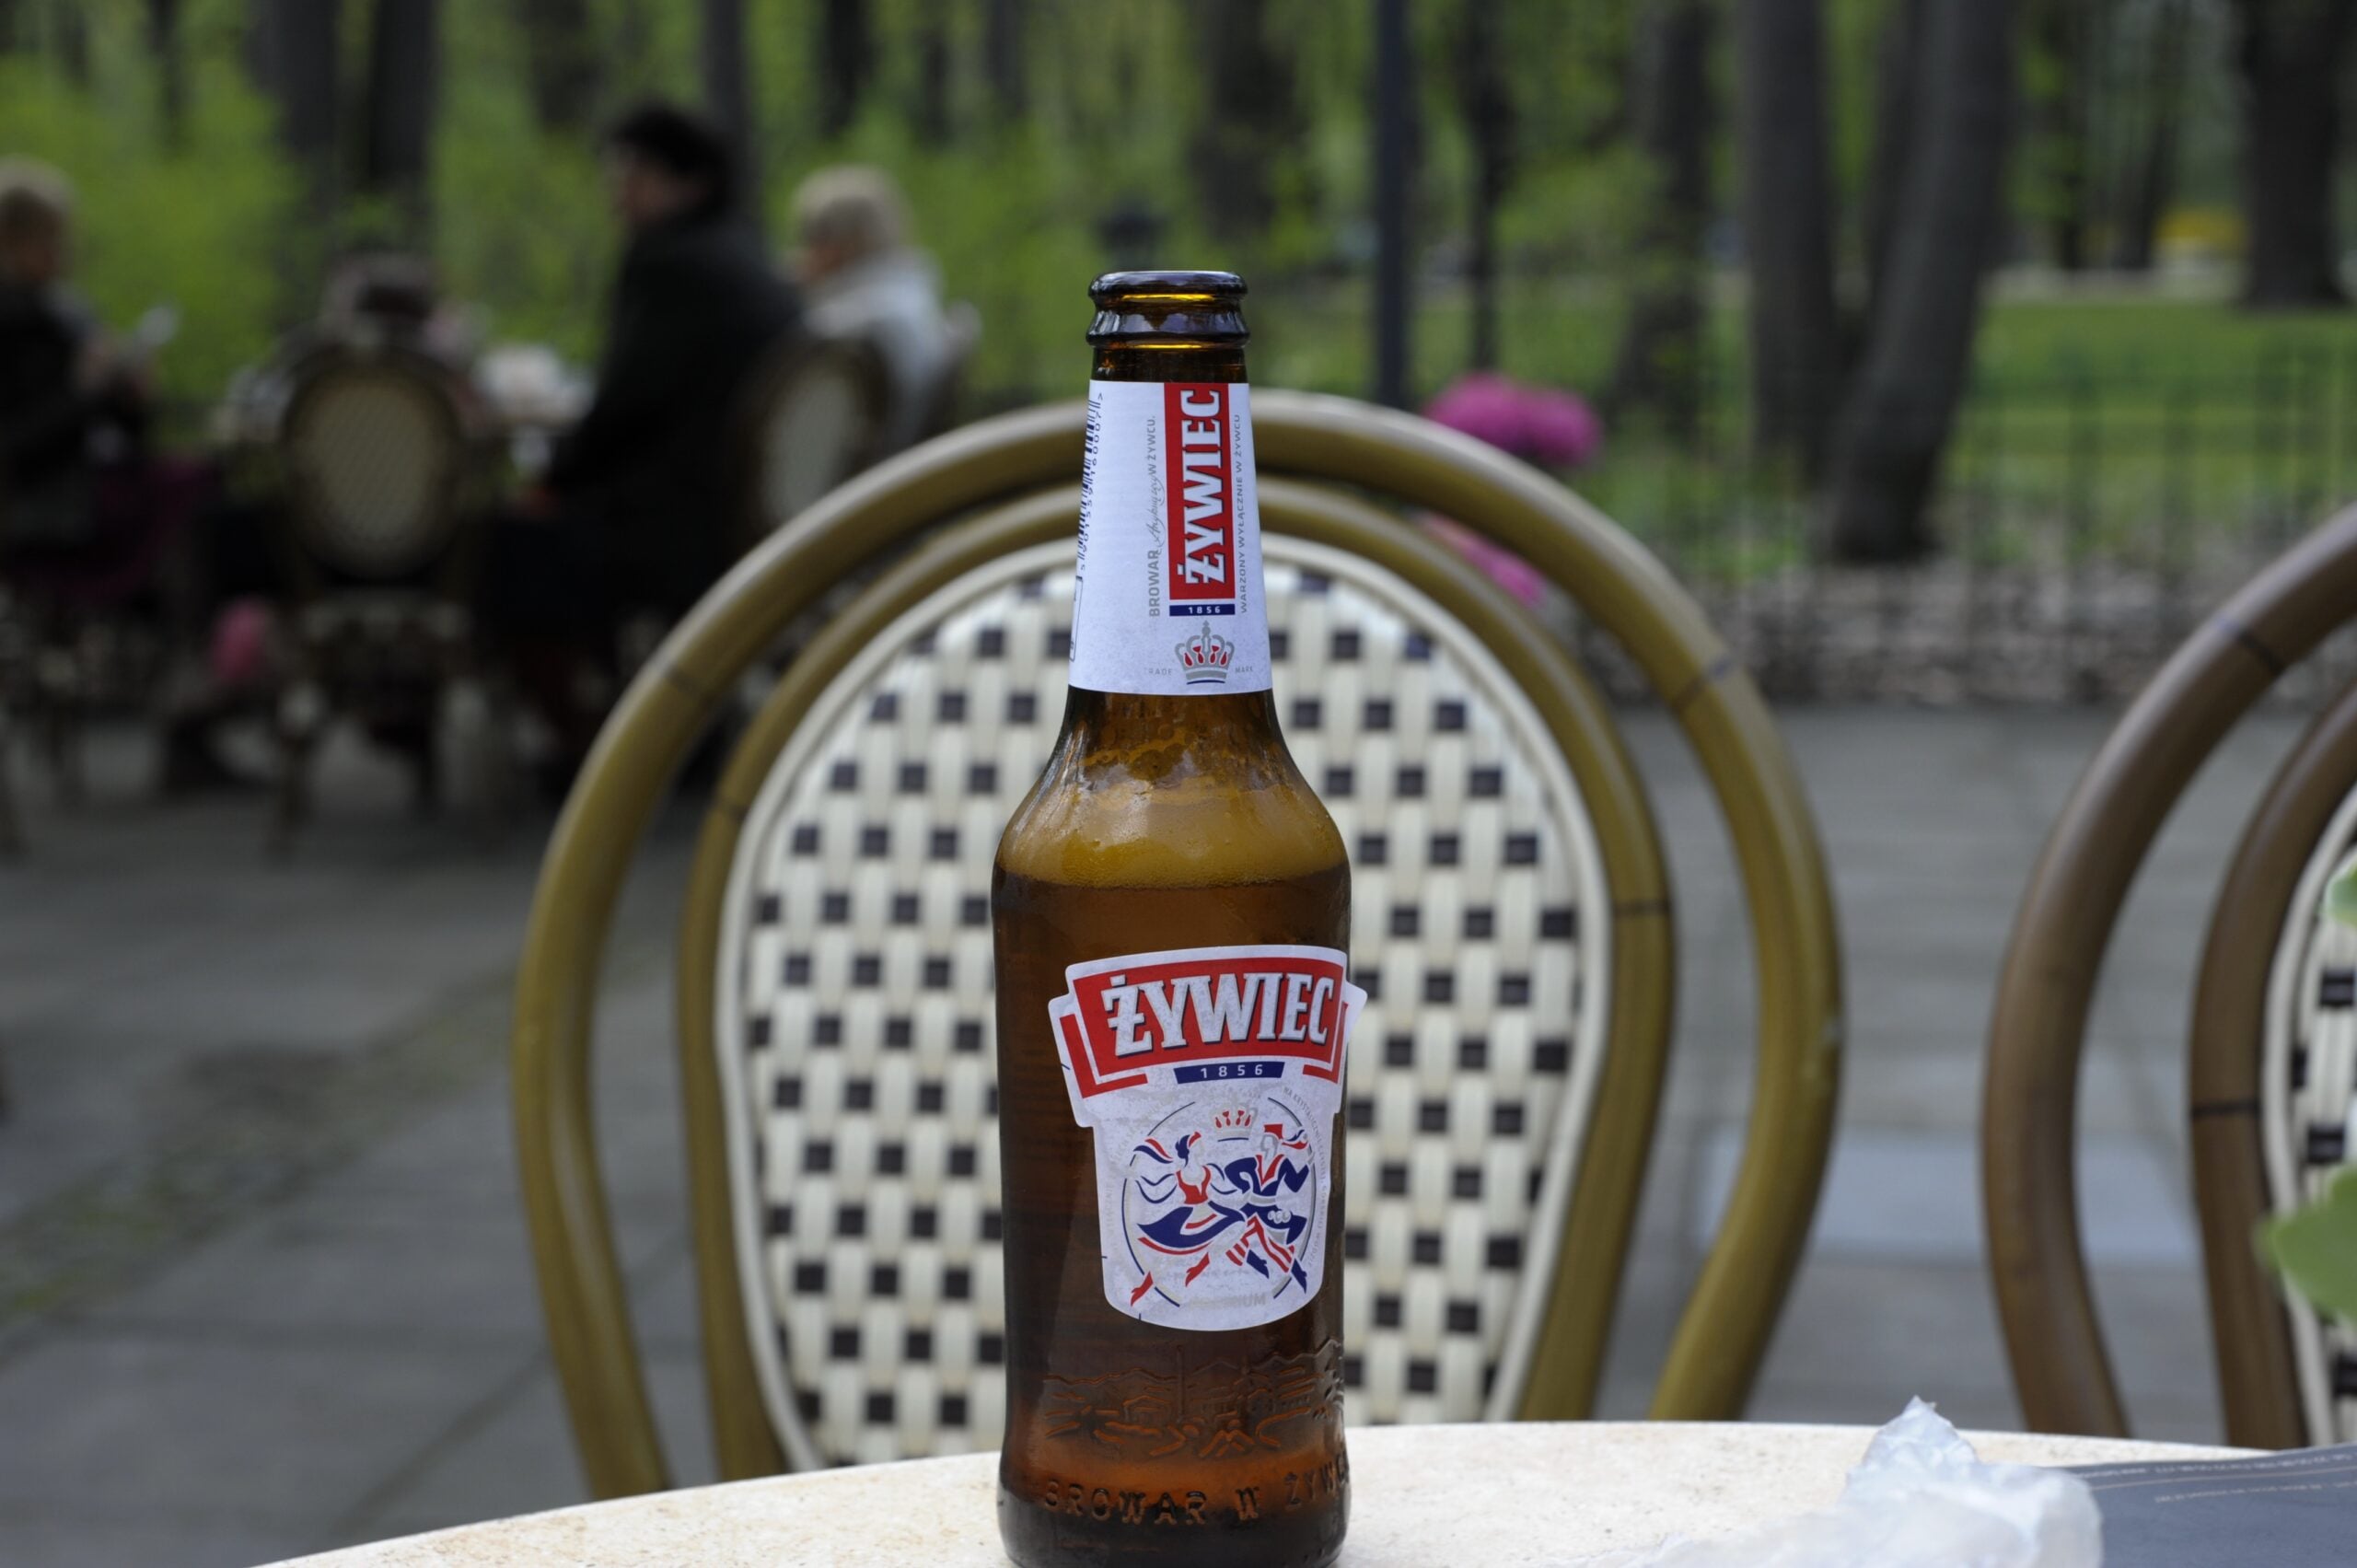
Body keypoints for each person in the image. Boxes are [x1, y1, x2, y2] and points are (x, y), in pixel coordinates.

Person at [487, 101, 802, 783]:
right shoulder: (741, 255)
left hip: (675, 523)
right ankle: (663, 738)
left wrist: (548, 480)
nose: (617, 193)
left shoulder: (668, 264)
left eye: (635, 174)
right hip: (736, 508)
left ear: (689, 183)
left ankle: (589, 747)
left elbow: (626, 406)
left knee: (507, 546)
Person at [0, 158, 229, 790]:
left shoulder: (59, 312)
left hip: (87, 491)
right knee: (198, 506)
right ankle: (188, 698)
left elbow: (126, 431)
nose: (62, 250)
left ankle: (190, 688)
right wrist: (90, 391)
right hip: (43, 511)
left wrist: (127, 392)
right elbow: (21, 445)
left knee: (203, 488)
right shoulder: (16, 322)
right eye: (50, 236)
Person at [790, 165, 958, 453]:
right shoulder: (909, 297)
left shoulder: (862, 319)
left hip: (868, 481)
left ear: (840, 243)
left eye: (812, 238)